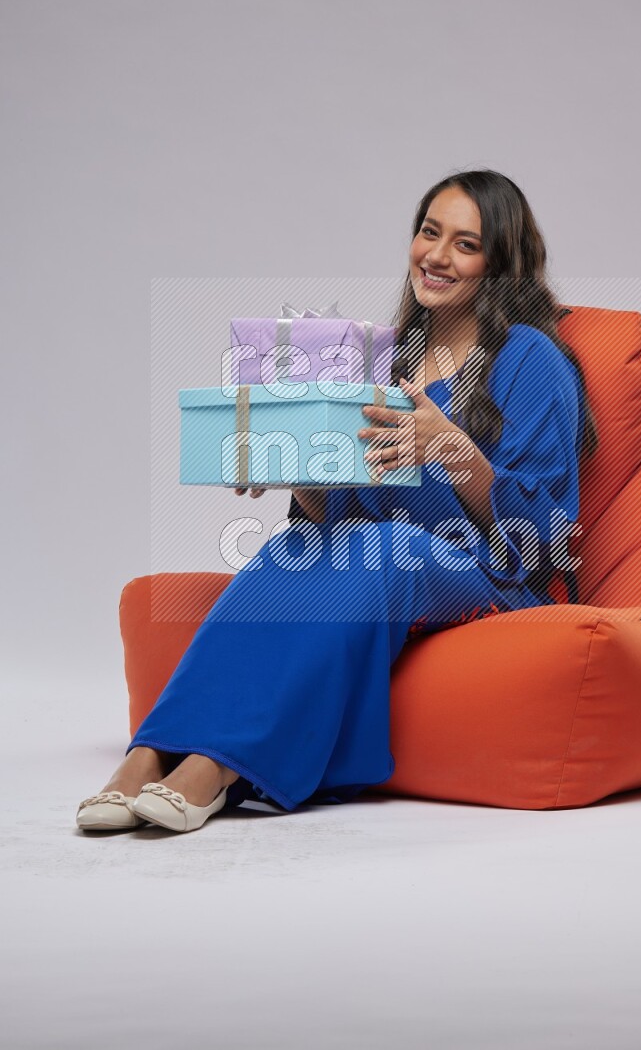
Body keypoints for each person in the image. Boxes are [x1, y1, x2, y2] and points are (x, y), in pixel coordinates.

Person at [75, 168, 598, 834]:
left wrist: (454, 448)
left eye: (464, 244)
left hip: (493, 576)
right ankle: (150, 752)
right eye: (428, 232)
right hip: (384, 563)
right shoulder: (386, 360)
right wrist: (294, 467)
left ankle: (220, 767)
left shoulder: (531, 359)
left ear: (499, 264)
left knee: (385, 545)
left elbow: (543, 536)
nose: (436, 255)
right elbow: (338, 518)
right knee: (292, 547)